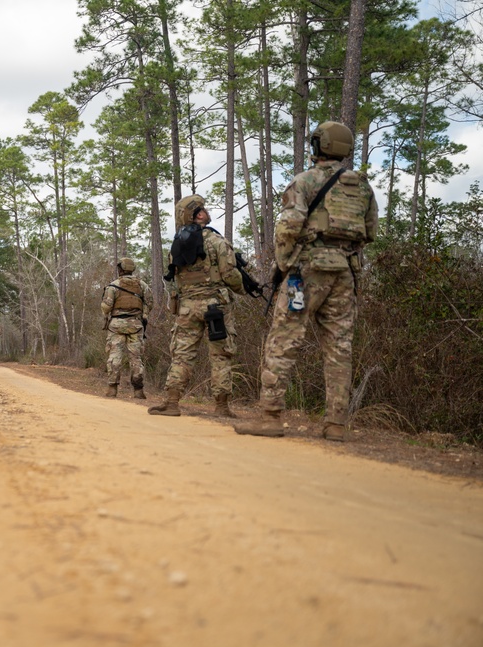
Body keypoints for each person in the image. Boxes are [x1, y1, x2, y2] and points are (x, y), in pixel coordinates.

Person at [235, 121, 378, 441]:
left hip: (307, 271)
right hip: (345, 274)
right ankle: (336, 424)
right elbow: (370, 233)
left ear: (318, 146)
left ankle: (271, 417)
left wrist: (284, 266)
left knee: (283, 342)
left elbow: (287, 229)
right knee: (339, 348)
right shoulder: (363, 188)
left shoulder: (304, 181)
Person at [148, 195, 246, 418]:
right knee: (221, 355)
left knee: (182, 355)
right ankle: (221, 407)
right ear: (198, 214)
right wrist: (242, 289)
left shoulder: (177, 245)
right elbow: (230, 274)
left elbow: (174, 276)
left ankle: (172, 403)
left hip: (187, 307)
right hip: (215, 307)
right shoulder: (217, 242)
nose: (206, 212)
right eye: (203, 209)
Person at [100, 258, 151, 398]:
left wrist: (105, 314)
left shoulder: (113, 286)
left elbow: (106, 306)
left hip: (117, 325)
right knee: (136, 358)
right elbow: (149, 303)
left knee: (115, 356)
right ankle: (138, 391)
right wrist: (143, 316)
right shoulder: (143, 286)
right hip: (136, 325)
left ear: (120, 269)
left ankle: (112, 389)